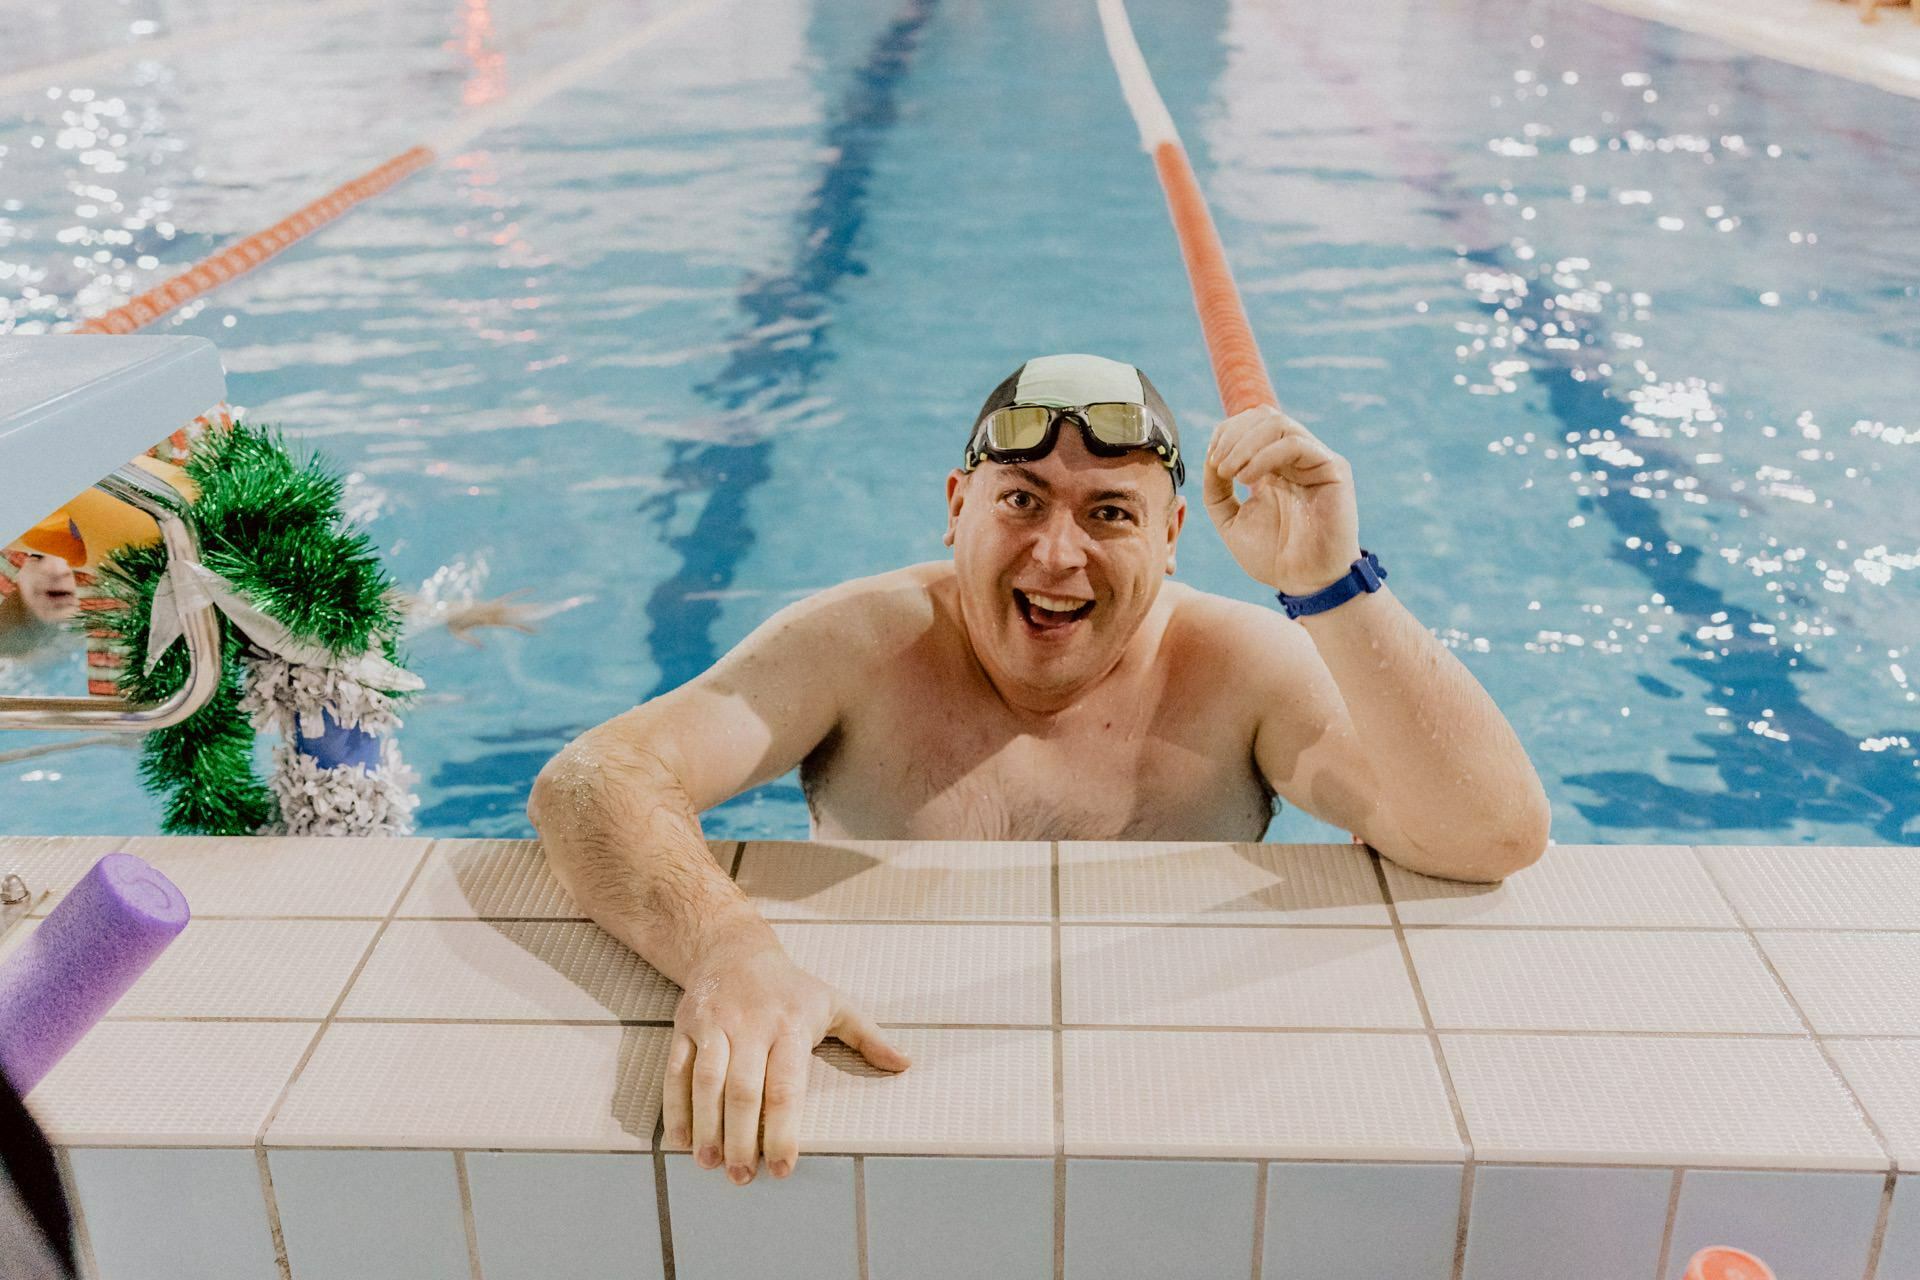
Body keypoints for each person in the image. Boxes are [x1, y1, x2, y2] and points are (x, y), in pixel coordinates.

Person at [528, 352, 1552, 1189]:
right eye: (1022, 500)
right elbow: (596, 777)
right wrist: (729, 951)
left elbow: (1488, 834)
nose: (1057, 554)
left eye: (1110, 512)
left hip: (1175, 1128)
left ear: (1173, 536)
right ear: (956, 506)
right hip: (875, 1128)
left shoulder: (1240, 666)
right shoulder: (863, 643)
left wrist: (1332, 580)